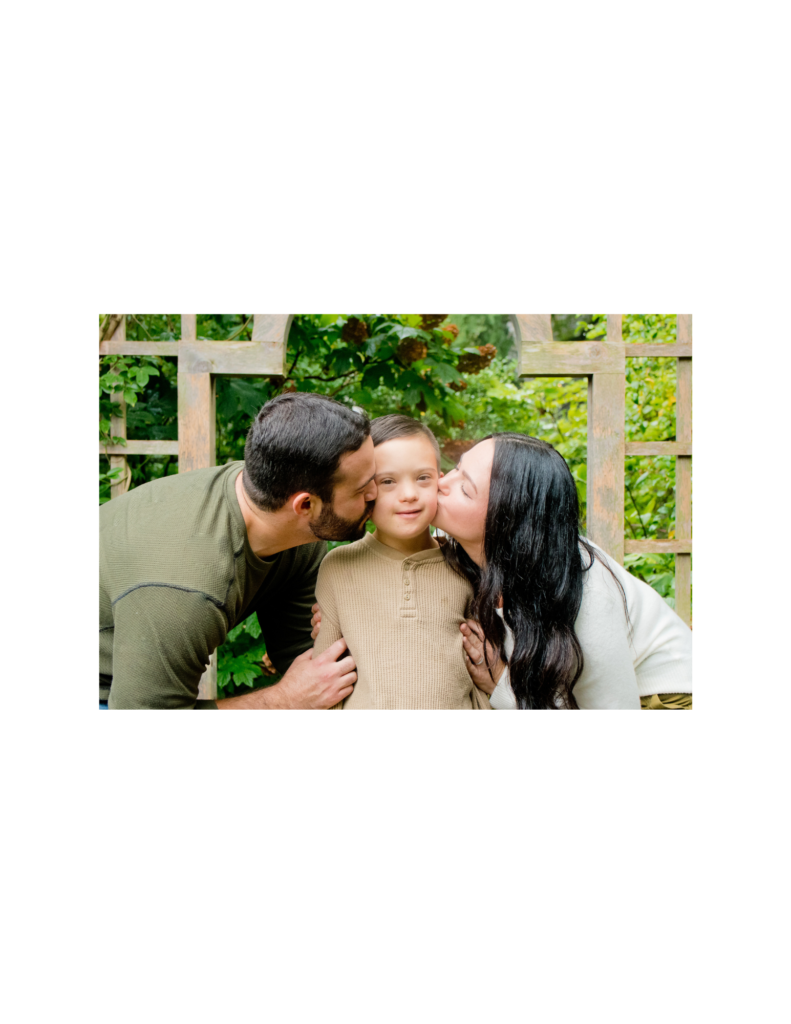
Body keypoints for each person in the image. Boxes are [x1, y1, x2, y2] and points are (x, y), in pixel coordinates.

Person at [98, 393, 378, 711]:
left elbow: (309, 658)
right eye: (362, 488)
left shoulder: (295, 529)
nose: (376, 493)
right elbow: (142, 726)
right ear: (305, 505)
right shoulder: (185, 586)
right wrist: (283, 700)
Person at [435, 434, 693, 711]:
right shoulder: (480, 549)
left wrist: (500, 682)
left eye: (465, 489)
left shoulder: (588, 598)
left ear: (508, 523)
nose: (441, 483)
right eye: (456, 468)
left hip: (667, 699)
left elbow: (613, 720)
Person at [311, 416, 491, 711]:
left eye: (423, 478)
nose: (409, 495)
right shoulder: (338, 567)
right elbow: (325, 682)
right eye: (388, 481)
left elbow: (484, 673)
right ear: (365, 492)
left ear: (440, 482)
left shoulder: (467, 565)